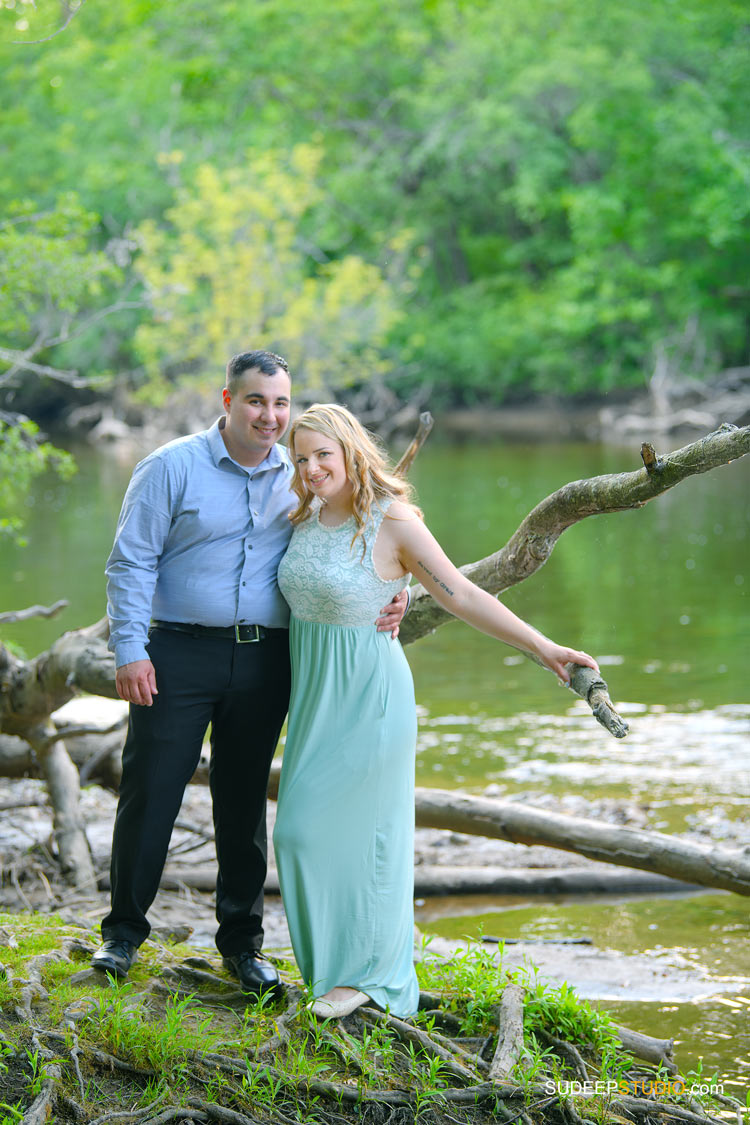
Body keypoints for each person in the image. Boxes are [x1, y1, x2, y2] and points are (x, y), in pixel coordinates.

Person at [92, 352, 407, 992]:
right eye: (258, 401)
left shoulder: (303, 472)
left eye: (281, 403)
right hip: (175, 653)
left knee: (243, 801)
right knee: (151, 789)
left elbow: (365, 535)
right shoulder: (169, 467)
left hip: (266, 658)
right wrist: (130, 649)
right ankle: (122, 934)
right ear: (228, 400)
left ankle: (241, 945)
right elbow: (130, 564)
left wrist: (398, 594)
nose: (271, 416)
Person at [273, 404, 600, 1020]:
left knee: (365, 836)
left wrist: (543, 648)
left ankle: (372, 978)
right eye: (302, 458)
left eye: (323, 455)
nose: (313, 468)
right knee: (302, 838)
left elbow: (464, 594)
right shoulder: (305, 517)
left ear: (350, 451)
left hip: (369, 698)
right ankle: (332, 972)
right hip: (315, 698)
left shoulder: (392, 521)